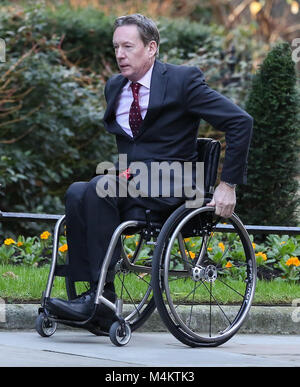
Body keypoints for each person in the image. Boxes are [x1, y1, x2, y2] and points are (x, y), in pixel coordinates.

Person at [47, 14, 253, 325]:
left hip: (176, 186)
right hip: (132, 185)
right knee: (78, 190)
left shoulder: (182, 81)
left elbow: (240, 122)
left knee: (99, 189)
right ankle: (87, 294)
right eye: (116, 47)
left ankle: (101, 298)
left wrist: (228, 184)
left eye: (128, 46)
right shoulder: (115, 86)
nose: (119, 54)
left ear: (151, 48)